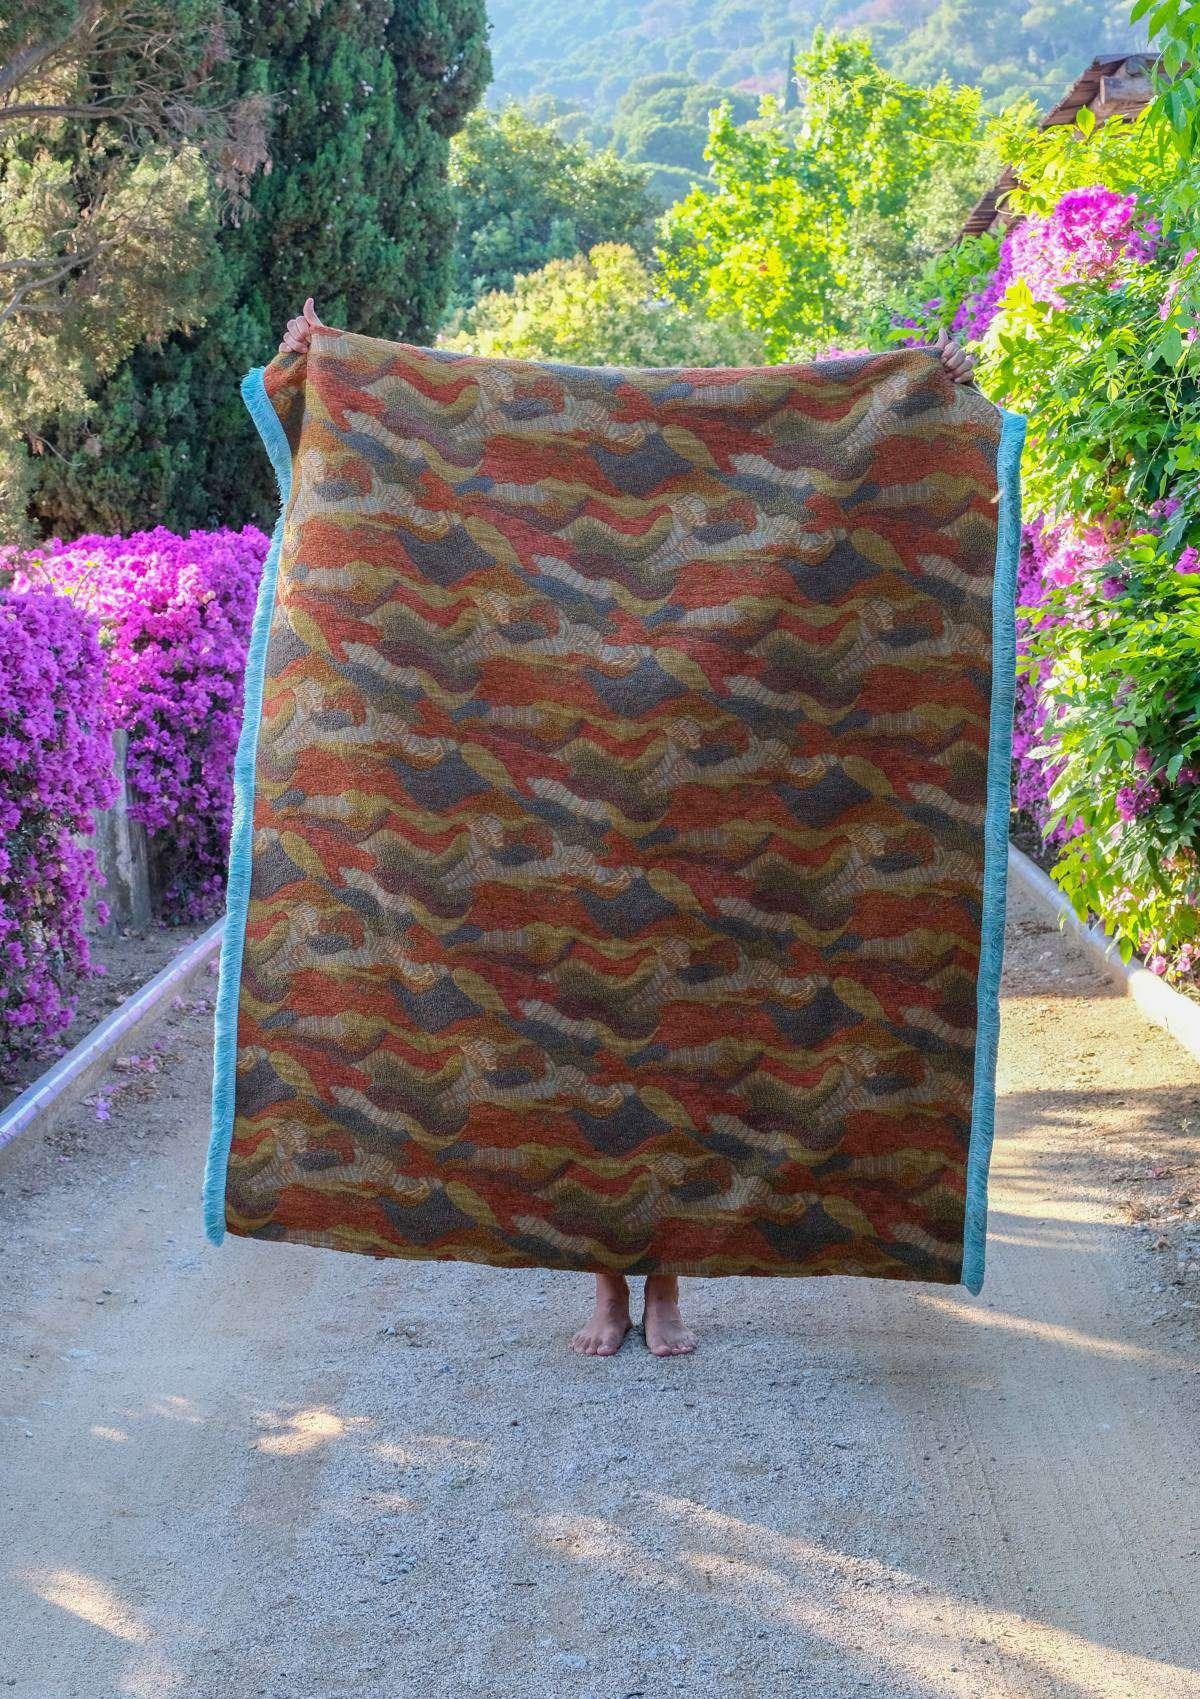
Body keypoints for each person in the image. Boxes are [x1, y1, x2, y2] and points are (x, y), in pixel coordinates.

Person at [276, 298, 978, 1357]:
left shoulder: (709, 503)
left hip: (695, 805)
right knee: (581, 1058)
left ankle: (669, 1286)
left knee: (690, 1044)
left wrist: (932, 398)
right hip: (558, 813)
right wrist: (311, 370)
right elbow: (359, 478)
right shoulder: (529, 502)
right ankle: (606, 1288)